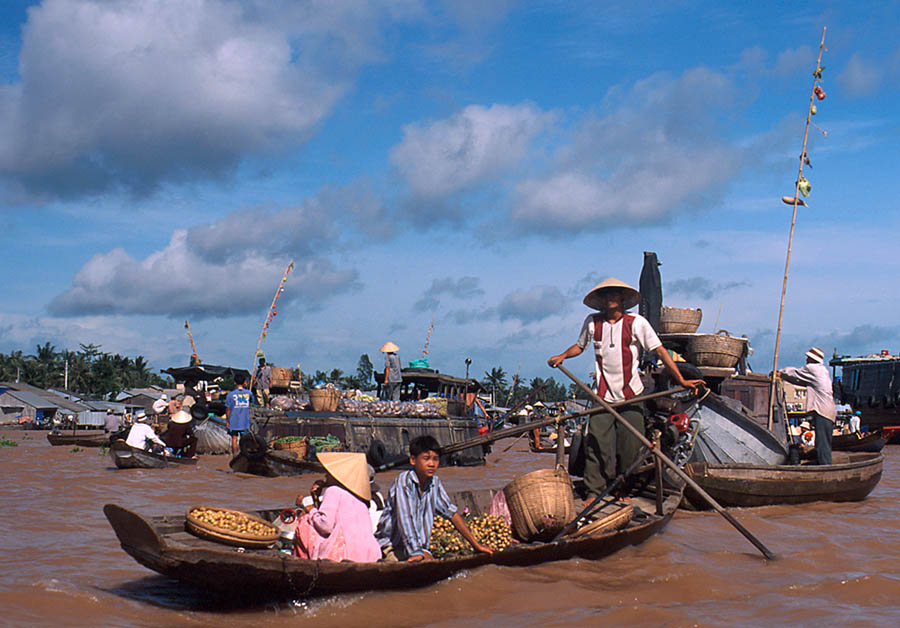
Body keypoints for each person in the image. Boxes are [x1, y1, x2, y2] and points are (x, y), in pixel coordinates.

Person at [548, 277, 704, 503]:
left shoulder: (637, 323)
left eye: (615, 294)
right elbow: (579, 346)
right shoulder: (593, 323)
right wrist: (562, 355)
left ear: (622, 298)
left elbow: (659, 351)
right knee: (596, 444)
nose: (610, 298)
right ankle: (594, 490)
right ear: (600, 300)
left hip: (632, 395)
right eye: (606, 294)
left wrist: (681, 379)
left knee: (629, 447)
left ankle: (623, 490)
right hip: (602, 396)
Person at [375, 435, 493, 561]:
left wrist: (475, 544)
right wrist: (416, 552)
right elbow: (405, 519)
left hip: (418, 547)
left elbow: (451, 513)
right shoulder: (404, 482)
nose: (431, 464)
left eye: (435, 459)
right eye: (426, 459)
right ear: (413, 460)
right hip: (392, 545)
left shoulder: (434, 483)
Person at [293, 452, 381, 562]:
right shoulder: (359, 497)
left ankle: (304, 565)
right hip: (370, 554)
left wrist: (310, 510)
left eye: (328, 473)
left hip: (344, 554)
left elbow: (325, 526)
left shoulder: (333, 490)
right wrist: (315, 499)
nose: (325, 476)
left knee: (304, 521)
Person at [780, 347, 836, 465]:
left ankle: (825, 467)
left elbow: (795, 373)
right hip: (829, 410)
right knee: (825, 442)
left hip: (822, 410)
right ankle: (823, 463)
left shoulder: (812, 369)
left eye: (807, 358)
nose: (806, 360)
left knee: (822, 444)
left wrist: (781, 373)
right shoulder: (823, 370)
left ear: (812, 359)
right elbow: (800, 380)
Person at [226, 373, 252, 455]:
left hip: (233, 420)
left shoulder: (230, 395)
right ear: (244, 382)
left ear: (234, 382)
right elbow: (252, 401)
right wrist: (247, 387)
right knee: (244, 439)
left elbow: (228, 410)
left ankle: (235, 456)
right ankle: (244, 456)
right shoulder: (248, 393)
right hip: (244, 421)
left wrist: (227, 421)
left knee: (234, 438)